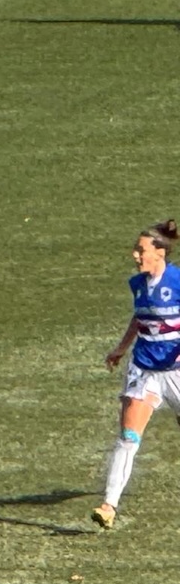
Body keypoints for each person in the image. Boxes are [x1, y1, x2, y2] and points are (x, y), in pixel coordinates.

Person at [92, 220, 180, 529]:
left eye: (141, 250)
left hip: (177, 371)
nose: (135, 255)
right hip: (144, 370)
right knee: (128, 438)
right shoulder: (138, 284)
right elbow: (139, 317)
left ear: (160, 253)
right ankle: (108, 505)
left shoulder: (178, 281)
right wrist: (121, 348)